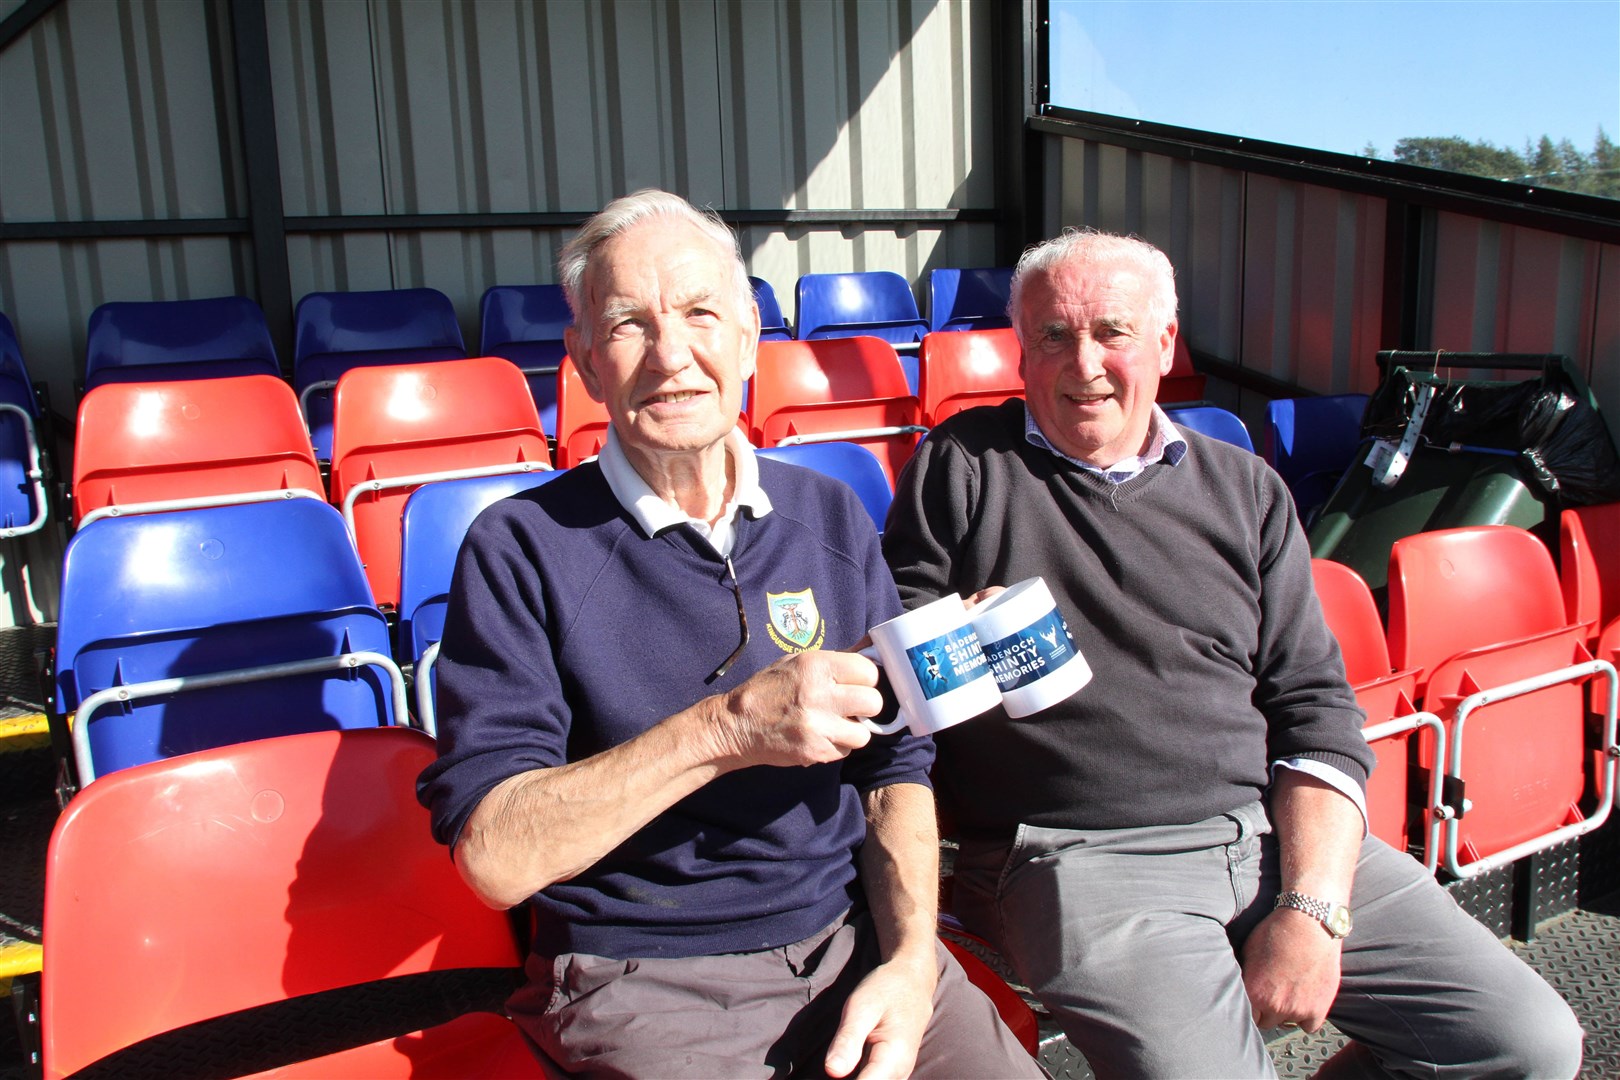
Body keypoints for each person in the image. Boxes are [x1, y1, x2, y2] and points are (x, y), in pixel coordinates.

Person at [882, 228, 1585, 1079]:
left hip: (1272, 835)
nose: (1083, 364)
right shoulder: (964, 464)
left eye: (1113, 332)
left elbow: (1316, 707)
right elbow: (901, 661)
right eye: (1053, 336)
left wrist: (1311, 907)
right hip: (1079, 854)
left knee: (1528, 1046)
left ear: (1165, 343)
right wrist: (962, 630)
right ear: (1021, 350)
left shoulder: (1243, 485)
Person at [417, 189, 1041, 1080]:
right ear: (585, 361)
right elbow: (496, 858)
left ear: (750, 333)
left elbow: (891, 772)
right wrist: (727, 727)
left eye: (701, 313)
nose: (673, 356)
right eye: (630, 324)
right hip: (642, 979)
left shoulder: (828, 509)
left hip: (855, 945)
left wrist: (909, 963)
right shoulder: (519, 548)